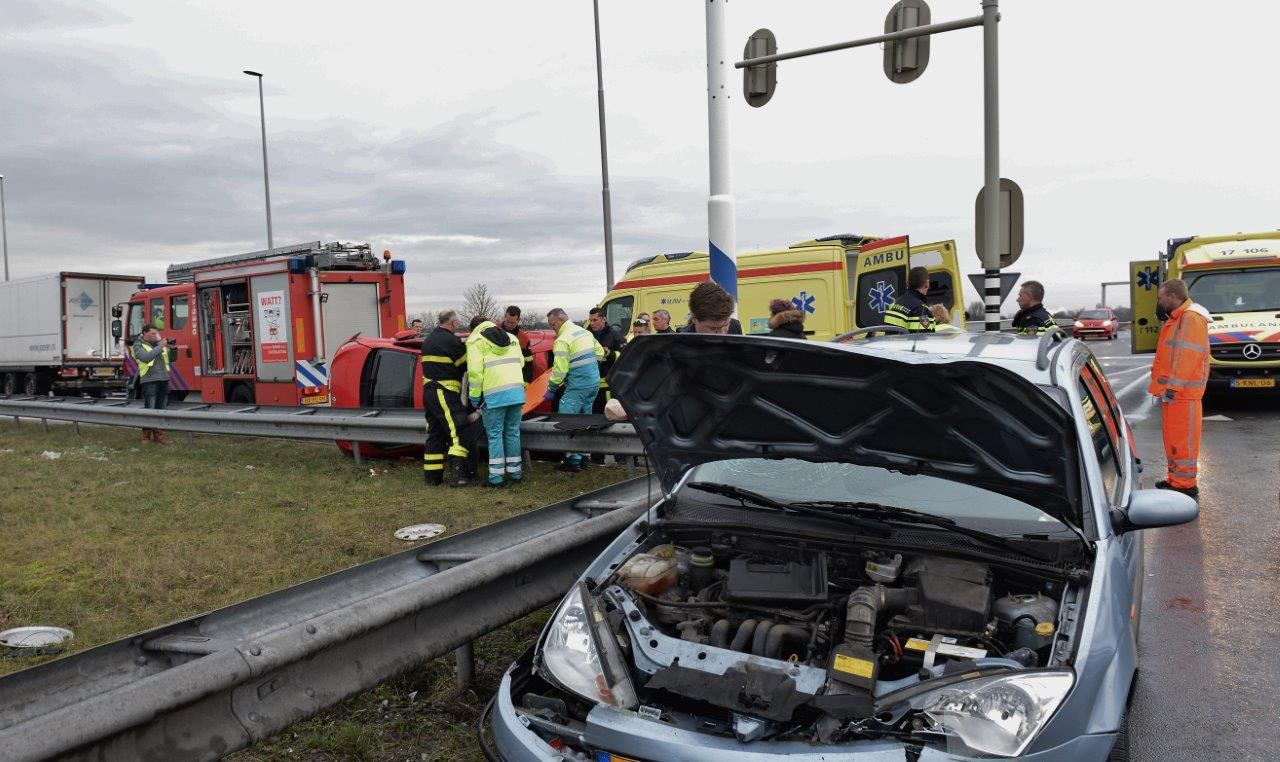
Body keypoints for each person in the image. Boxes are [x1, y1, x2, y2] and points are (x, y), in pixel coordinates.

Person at [1148, 278, 1211, 499]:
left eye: (1161, 297)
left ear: (1172, 297)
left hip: (1182, 393)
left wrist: (1174, 385)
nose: (1160, 302)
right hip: (1175, 393)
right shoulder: (1178, 318)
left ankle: (1186, 484)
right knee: (1174, 439)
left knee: (1183, 441)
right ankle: (1175, 479)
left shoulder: (1190, 319)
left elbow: (1188, 357)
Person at [467, 317, 527, 488]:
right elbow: (521, 363)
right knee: (512, 432)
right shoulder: (512, 338)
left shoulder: (475, 340)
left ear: (474, 328)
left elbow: (475, 373)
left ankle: (496, 478)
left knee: (495, 435)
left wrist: (474, 397)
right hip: (516, 393)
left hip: (494, 395)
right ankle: (515, 473)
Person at [545, 307, 606, 471]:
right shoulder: (584, 332)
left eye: (552, 324)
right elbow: (600, 352)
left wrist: (551, 388)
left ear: (561, 320)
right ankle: (585, 458)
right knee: (585, 420)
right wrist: (591, 368)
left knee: (568, 421)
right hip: (593, 383)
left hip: (578, 385)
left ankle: (573, 461)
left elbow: (560, 371)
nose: (552, 328)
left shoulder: (562, 340)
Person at [420, 309, 471, 487]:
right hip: (445, 391)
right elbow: (466, 364)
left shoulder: (428, 340)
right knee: (459, 432)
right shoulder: (451, 340)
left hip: (429, 393)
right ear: (453, 322)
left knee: (436, 433)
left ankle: (432, 478)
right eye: (458, 322)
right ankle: (459, 477)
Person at [132, 324, 172, 444]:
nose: (155, 335)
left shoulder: (158, 343)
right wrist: (160, 346)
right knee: (150, 409)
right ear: (145, 333)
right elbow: (145, 357)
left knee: (161, 409)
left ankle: (159, 437)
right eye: (153, 333)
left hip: (163, 379)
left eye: (156, 333)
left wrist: (173, 349)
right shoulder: (138, 344)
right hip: (150, 380)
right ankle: (146, 437)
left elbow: (172, 358)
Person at [588, 307, 627, 414]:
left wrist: (610, 353)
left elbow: (625, 358)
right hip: (590, 387)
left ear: (604, 319)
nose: (591, 323)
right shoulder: (586, 335)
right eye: (590, 320)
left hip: (608, 388)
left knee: (609, 416)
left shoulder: (616, 336)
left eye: (595, 320)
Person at [677, 281, 742, 334]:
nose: (722, 334)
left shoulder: (735, 326)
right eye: (714, 329)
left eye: (726, 325)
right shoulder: (680, 343)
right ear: (694, 318)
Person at [883, 266, 935, 333]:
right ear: (927, 283)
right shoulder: (920, 310)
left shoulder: (893, 304)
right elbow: (922, 338)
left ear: (908, 283)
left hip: (890, 340)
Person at [501, 305, 535, 382]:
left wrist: (526, 383)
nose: (509, 325)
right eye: (507, 321)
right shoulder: (494, 330)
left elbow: (528, 363)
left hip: (514, 378)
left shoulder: (524, 338)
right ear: (505, 317)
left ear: (519, 320)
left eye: (512, 323)